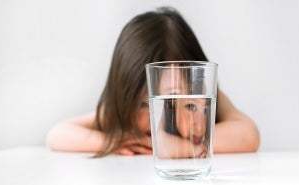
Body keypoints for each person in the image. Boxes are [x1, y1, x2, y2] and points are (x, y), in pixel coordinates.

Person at [46, 7, 260, 157]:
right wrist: (114, 142)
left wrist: (182, 149)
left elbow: (248, 135)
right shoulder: (121, 114)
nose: (163, 118)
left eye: (189, 105)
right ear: (124, 98)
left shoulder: (211, 98)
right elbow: (57, 134)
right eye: (146, 105)